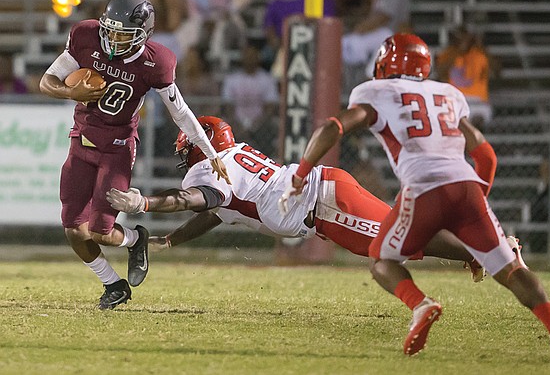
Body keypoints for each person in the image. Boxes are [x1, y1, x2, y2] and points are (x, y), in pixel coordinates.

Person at [278, 33, 550, 363]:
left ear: (384, 65)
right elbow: (486, 156)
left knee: (381, 258)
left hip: (423, 187)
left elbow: (332, 127)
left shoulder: (374, 92)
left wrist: (300, 174)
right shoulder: (448, 94)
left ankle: (420, 305)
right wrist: (475, 207)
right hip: (468, 187)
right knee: (511, 269)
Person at [106, 115, 500, 280]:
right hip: (324, 202)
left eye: (185, 149)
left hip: (323, 205)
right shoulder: (232, 161)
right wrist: (171, 240)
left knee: (396, 240)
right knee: (397, 240)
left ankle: (486, 249)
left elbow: (198, 199)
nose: (182, 156)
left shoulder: (210, 169)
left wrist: (146, 204)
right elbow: (214, 212)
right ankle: (476, 246)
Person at [39, 0, 230, 311]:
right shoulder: (86, 36)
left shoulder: (156, 62)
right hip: (81, 140)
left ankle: (135, 238)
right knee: (73, 227)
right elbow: (48, 81)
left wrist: (210, 152)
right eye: (109, 29)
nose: (112, 38)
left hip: (116, 147)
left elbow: (180, 112)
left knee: (100, 231)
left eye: (122, 33)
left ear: (142, 35)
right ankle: (113, 284)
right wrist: (71, 91)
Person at [263, 0, 336, 78]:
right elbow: (269, 27)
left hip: (313, 48)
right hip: (283, 48)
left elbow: (327, 26)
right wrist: (280, 45)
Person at [177, 0, 257, 68]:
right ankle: (183, 71)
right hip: (202, 20)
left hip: (226, 18)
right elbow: (193, 9)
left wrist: (231, 8)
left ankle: (219, 69)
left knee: (219, 35)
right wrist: (204, 21)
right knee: (181, 35)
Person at [435, 25, 498, 131]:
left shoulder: (480, 54)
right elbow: (440, 73)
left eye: (466, 37)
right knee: (455, 119)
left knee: (477, 121)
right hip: (454, 99)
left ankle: (473, 143)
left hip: (479, 101)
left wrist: (482, 48)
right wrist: (458, 52)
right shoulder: (448, 54)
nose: (464, 40)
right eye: (460, 37)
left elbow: (497, 71)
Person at [220, 45, 279, 156]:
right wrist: (237, 126)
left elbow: (270, 107)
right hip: (236, 124)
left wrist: (255, 126)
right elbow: (228, 106)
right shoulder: (232, 79)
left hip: (261, 126)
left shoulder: (267, 79)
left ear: (258, 58)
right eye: (247, 56)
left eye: (253, 56)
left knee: (272, 126)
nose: (249, 59)